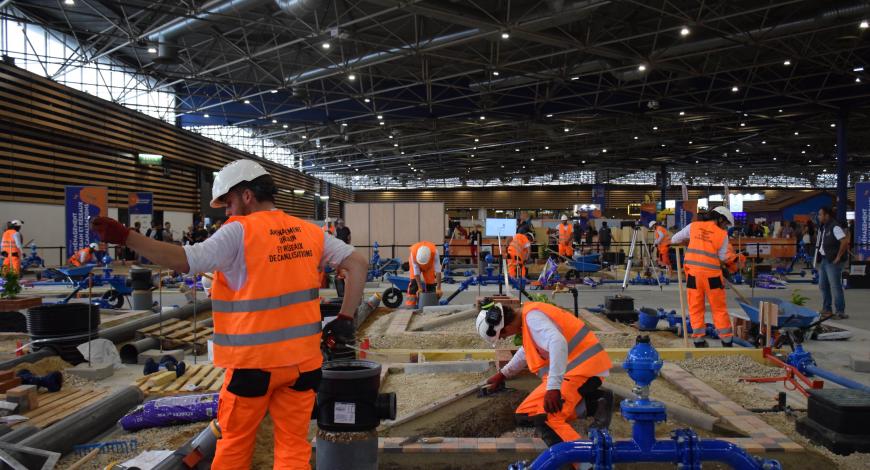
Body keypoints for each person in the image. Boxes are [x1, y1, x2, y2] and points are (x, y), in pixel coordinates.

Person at [90, 159, 368, 469]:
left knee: (235, 444)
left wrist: (127, 237)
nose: (227, 211)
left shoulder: (239, 231)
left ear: (247, 195)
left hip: (254, 366)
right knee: (293, 447)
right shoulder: (309, 231)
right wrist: (345, 318)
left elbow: (184, 259)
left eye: (228, 201)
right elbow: (358, 263)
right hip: (303, 365)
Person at [477, 298, 613, 447]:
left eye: (502, 336)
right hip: (573, 371)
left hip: (583, 370)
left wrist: (553, 388)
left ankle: (585, 462)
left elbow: (557, 341)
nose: (504, 337)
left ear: (505, 327)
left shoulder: (533, 319)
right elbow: (526, 351)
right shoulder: (529, 318)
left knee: (545, 418)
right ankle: (597, 402)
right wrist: (503, 374)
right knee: (525, 414)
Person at [670, 207, 745, 348]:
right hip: (713, 277)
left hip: (693, 276)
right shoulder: (722, 235)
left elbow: (674, 239)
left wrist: (689, 242)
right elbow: (723, 257)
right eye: (725, 223)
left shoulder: (693, 226)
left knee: (695, 307)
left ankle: (698, 340)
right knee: (719, 308)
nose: (725, 227)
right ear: (720, 219)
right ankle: (727, 341)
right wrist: (735, 260)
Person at [816, 207, 849, 319]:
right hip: (825, 260)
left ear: (827, 215)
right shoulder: (824, 227)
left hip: (833, 262)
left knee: (835, 286)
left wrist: (838, 257)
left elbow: (844, 242)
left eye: (820, 214)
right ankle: (827, 309)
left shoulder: (835, 227)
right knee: (823, 285)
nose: (818, 216)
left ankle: (840, 311)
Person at [405, 241, 442, 308]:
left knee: (431, 284)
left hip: (429, 266)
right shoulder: (413, 254)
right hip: (416, 263)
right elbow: (416, 272)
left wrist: (439, 288)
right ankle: (410, 305)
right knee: (414, 283)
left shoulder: (435, 252)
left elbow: (438, 271)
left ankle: (430, 304)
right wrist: (419, 287)